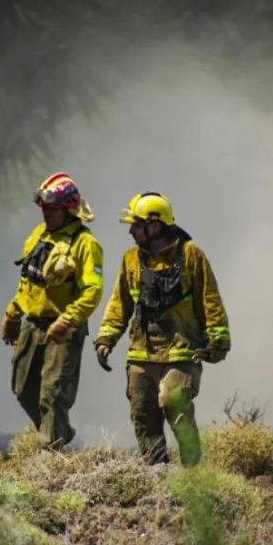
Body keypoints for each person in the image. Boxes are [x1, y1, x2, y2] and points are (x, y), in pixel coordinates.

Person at [93, 192, 230, 465]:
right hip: (141, 353)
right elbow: (119, 303)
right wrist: (106, 337)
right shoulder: (131, 259)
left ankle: (194, 469)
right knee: (143, 414)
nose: (131, 230)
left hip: (182, 349)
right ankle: (157, 472)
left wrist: (218, 340)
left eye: (136, 224)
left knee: (172, 401)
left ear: (154, 225)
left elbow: (210, 298)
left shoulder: (191, 255)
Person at [1, 172, 104, 449]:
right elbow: (28, 280)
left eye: (53, 209)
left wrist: (68, 320)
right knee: (23, 389)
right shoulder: (38, 235)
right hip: (32, 324)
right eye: (44, 208)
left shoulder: (85, 243)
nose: (46, 213)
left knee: (53, 392)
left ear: (69, 209)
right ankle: (58, 432)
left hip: (63, 329)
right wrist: (12, 313)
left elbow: (92, 291)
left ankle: (51, 451)